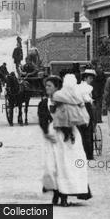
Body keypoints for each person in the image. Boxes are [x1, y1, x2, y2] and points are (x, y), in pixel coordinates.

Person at [39, 75, 92, 206]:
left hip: (68, 136)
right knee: (52, 166)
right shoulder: (44, 103)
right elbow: (42, 120)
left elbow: (77, 117)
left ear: (57, 87)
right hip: (54, 136)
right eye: (46, 86)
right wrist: (46, 132)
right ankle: (56, 192)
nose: (47, 88)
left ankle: (64, 195)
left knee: (67, 166)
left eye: (49, 86)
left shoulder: (67, 100)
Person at [76, 73, 95, 160]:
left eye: (92, 78)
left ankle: (83, 153)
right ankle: (89, 154)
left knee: (82, 132)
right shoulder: (86, 88)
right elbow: (87, 99)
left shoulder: (79, 87)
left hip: (79, 108)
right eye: (90, 78)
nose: (91, 80)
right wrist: (91, 100)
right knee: (88, 131)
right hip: (85, 107)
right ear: (85, 78)